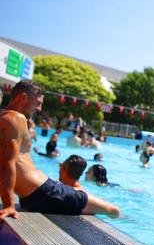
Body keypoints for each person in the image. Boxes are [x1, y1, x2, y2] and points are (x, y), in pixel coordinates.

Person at [0, 81, 120, 219]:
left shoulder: (3, 116)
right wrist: (9, 204)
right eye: (38, 103)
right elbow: (7, 164)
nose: (39, 109)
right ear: (23, 97)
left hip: (30, 195)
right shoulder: (16, 118)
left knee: (81, 194)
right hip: (44, 192)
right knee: (113, 210)